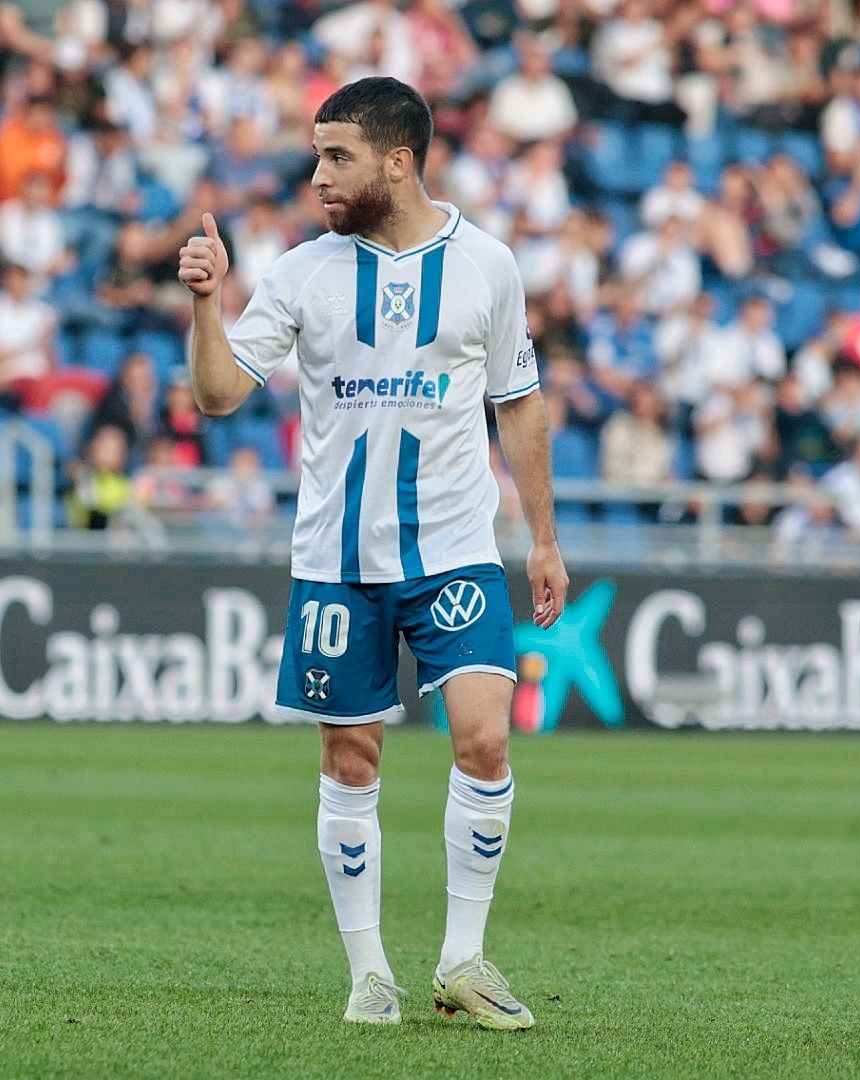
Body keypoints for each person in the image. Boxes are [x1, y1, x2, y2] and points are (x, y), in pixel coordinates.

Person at [178, 77, 568, 1029]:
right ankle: (370, 975)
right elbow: (221, 395)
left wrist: (545, 538)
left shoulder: (487, 265)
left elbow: (517, 402)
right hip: (337, 559)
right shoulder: (306, 271)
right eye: (316, 155)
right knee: (352, 760)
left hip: (455, 549)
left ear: (398, 160)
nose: (317, 175)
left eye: (337, 155)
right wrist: (207, 303)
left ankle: (464, 959)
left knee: (484, 738)